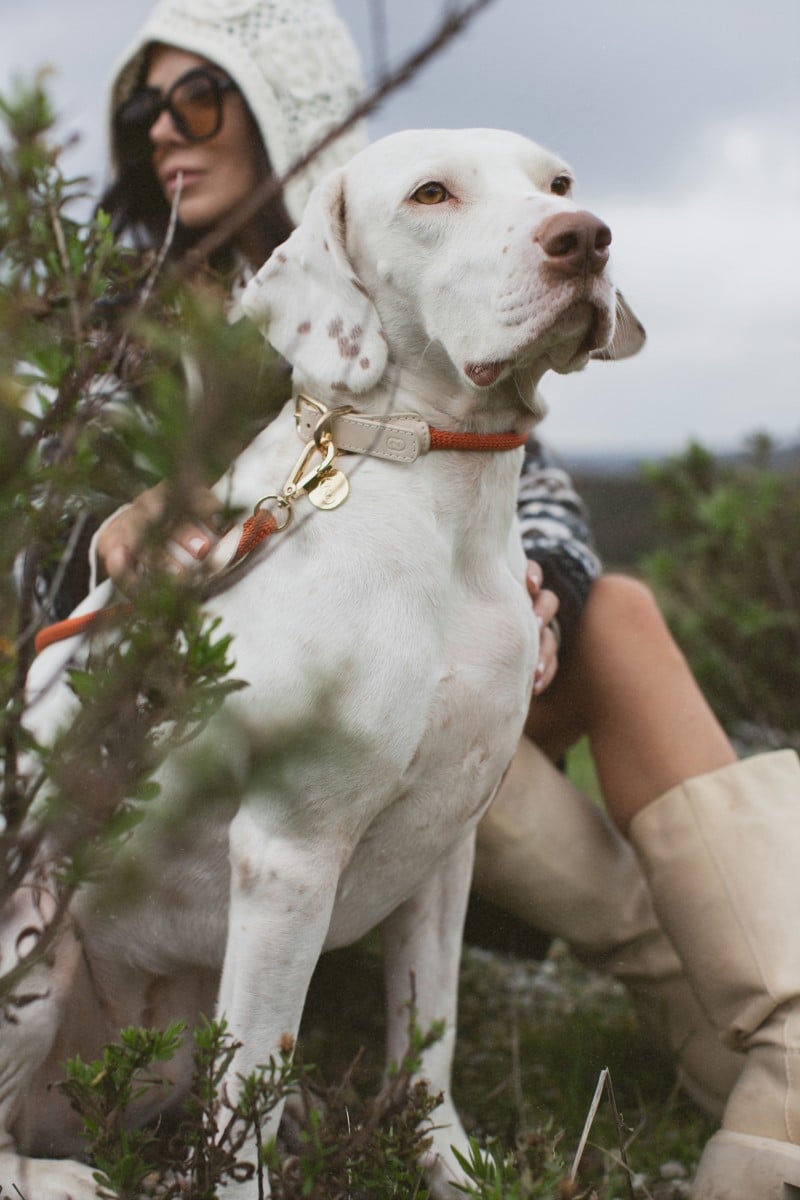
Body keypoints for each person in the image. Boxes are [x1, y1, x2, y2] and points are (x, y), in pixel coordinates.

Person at [37, 1, 800, 1196]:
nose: (158, 138)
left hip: (436, 664)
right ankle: (708, 1009)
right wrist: (111, 531)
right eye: (138, 112)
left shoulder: (441, 227)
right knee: (389, 683)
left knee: (607, 612)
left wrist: (539, 590)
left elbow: (530, 485)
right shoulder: (110, 315)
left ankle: (768, 1028)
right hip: (222, 737)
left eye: (197, 100)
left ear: (283, 104)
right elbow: (43, 539)